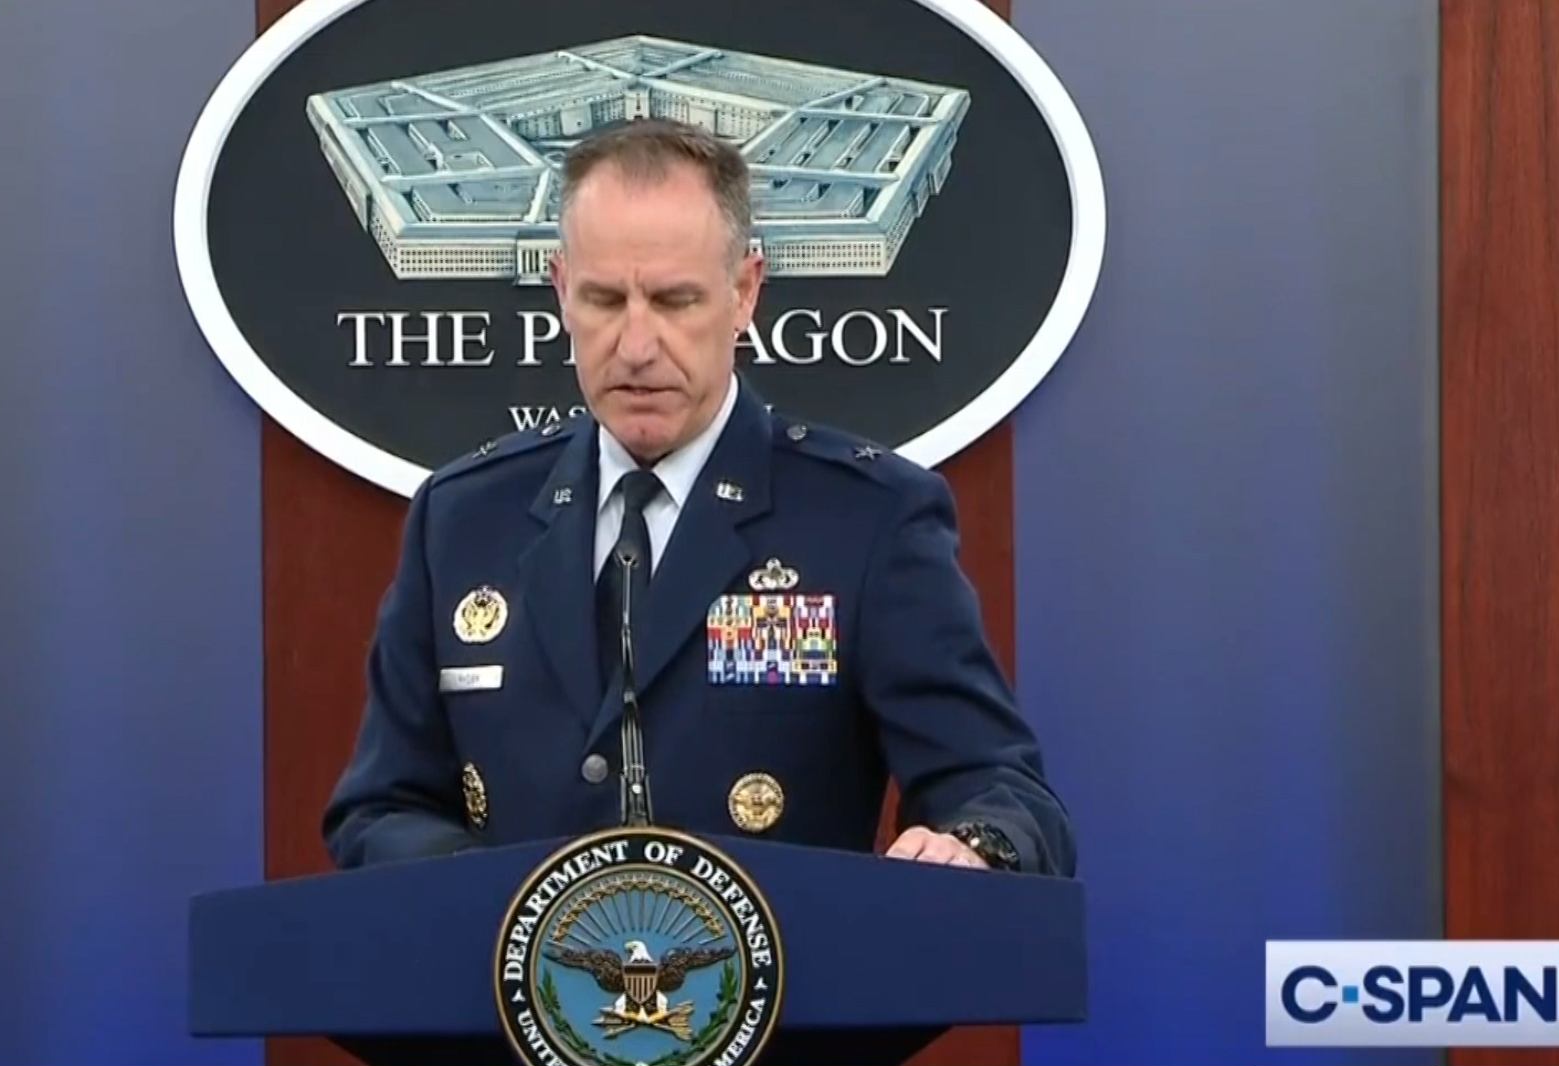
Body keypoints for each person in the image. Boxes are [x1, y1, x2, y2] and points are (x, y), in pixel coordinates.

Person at [321, 118, 1075, 877]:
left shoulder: (866, 520)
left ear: (744, 292)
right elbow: (381, 809)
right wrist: (498, 896)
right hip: (513, 953)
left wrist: (974, 845)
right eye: (604, 300)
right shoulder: (462, 520)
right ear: (560, 291)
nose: (636, 346)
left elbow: (1000, 790)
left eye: (675, 300)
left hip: (787, 953)